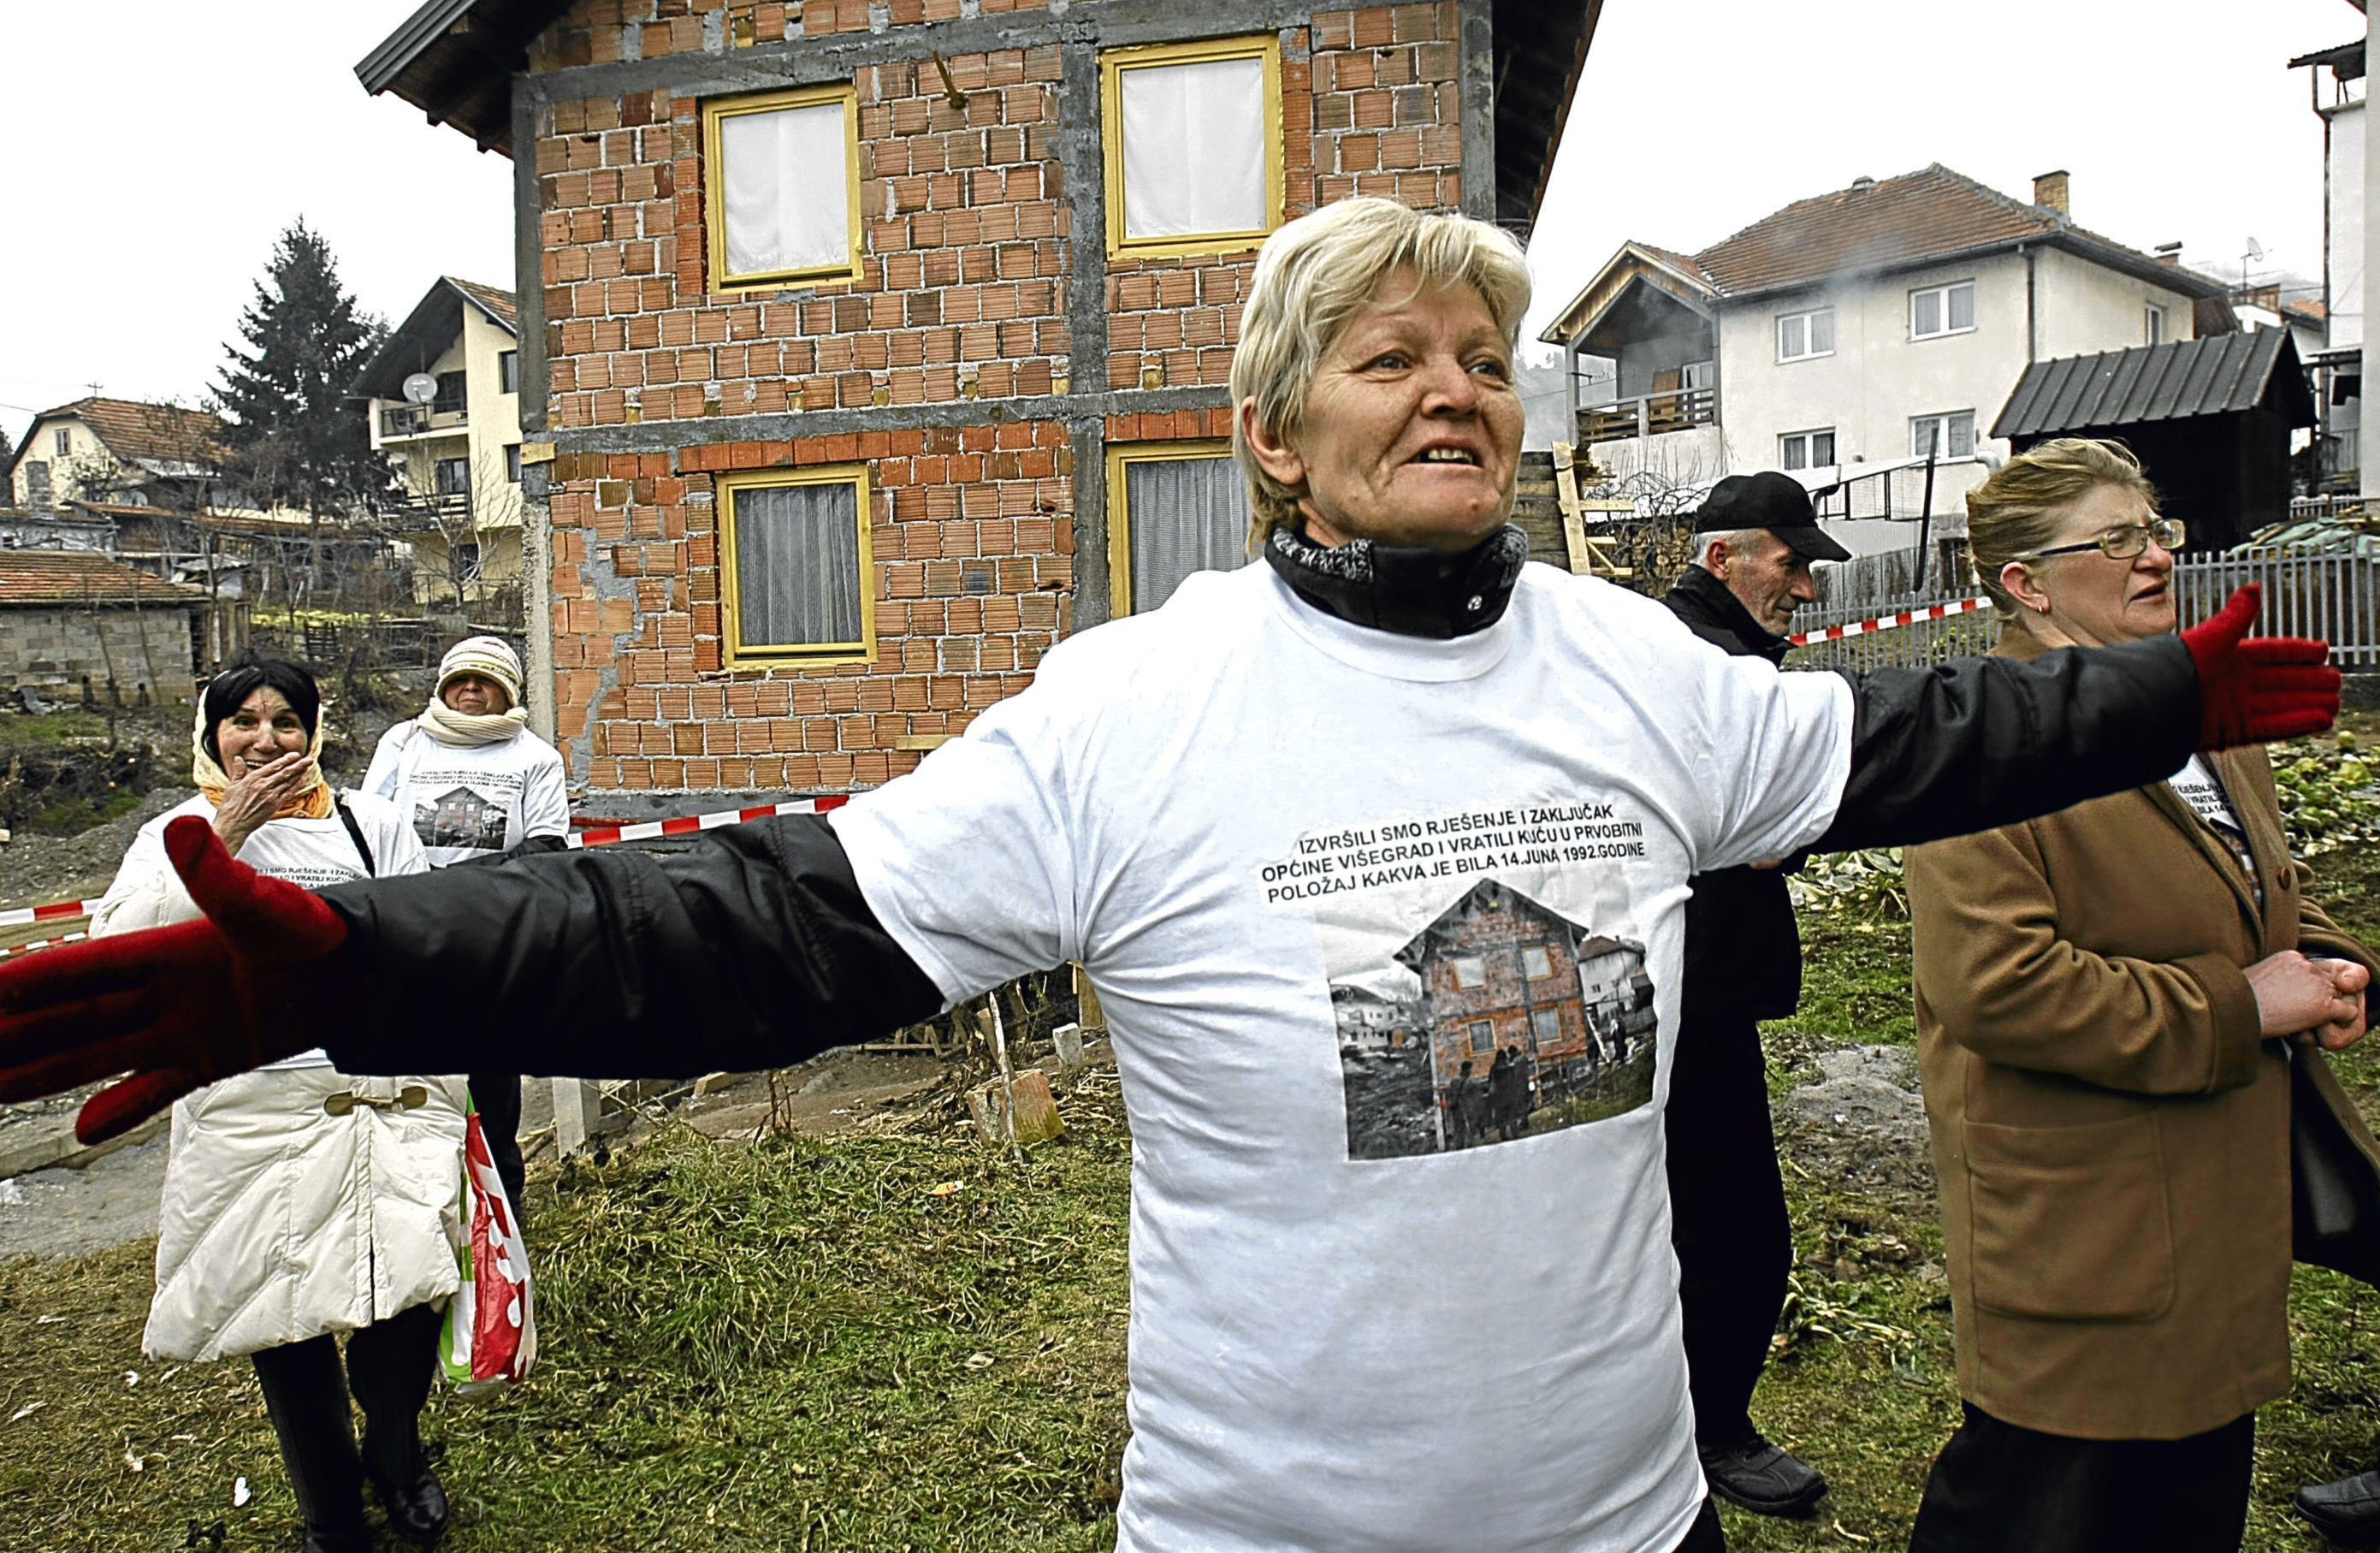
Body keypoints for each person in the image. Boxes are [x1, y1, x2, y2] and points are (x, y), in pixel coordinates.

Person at [0, 200, 2342, 1553]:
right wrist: (363, 954)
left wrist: (2158, 695)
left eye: (1480, 357)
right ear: (1271, 440)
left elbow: (1911, 728)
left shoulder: (1635, 665)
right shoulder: (1137, 703)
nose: (1452, 388)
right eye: (1383, 357)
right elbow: (755, 916)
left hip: (1631, 1524)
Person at [1901, 438, 2380, 1553]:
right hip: (2083, 1224)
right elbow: (1997, 985)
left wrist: (2329, 963)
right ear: (2025, 583)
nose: (2153, 555)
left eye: (2154, 529)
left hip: (2215, 1203)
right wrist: (2240, 1007)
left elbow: (2259, 885)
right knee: (2043, 1503)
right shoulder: (1979, 738)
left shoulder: (2197, 705)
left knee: (2190, 1491)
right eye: (2112, 540)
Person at [97, 657, 456, 1553]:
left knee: (404, 1298)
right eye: (244, 722)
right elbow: (124, 948)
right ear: (211, 735)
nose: (266, 740)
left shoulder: (371, 825)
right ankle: (331, 1515)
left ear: (315, 732)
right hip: (250, 1110)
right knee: (282, 1321)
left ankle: (398, 1455)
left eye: (287, 722)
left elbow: (427, 941)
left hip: (376, 1094)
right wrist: (222, 838)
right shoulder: (176, 831)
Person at [1655, 471, 1848, 1517]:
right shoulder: (1699, 661)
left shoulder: (1722, 649)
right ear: (1723, 557)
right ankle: (1711, 1430)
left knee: (1699, 1216)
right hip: (1685, 999)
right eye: (1792, 562)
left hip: (1702, 990)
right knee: (1731, 1226)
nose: (1806, 588)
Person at [362, 634, 570, 1216]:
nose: (471, 690)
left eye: (486, 680)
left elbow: (547, 845)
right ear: (443, 686)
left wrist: (469, 885)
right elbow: (367, 824)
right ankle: (416, 1200)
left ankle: (501, 1199)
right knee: (413, 1063)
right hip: (408, 926)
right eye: (461, 679)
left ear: (508, 691)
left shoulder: (533, 757)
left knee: (491, 1069)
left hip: (489, 934)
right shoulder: (403, 743)